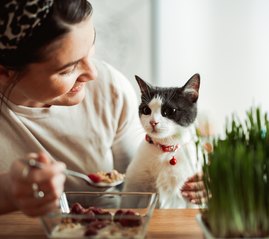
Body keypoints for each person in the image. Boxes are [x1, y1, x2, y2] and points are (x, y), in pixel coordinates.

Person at [0, 0, 206, 217]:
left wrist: (198, 184)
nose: (93, 74)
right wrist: (7, 192)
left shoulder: (110, 88)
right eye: (68, 69)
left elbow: (137, 185)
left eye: (90, 47)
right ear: (5, 73)